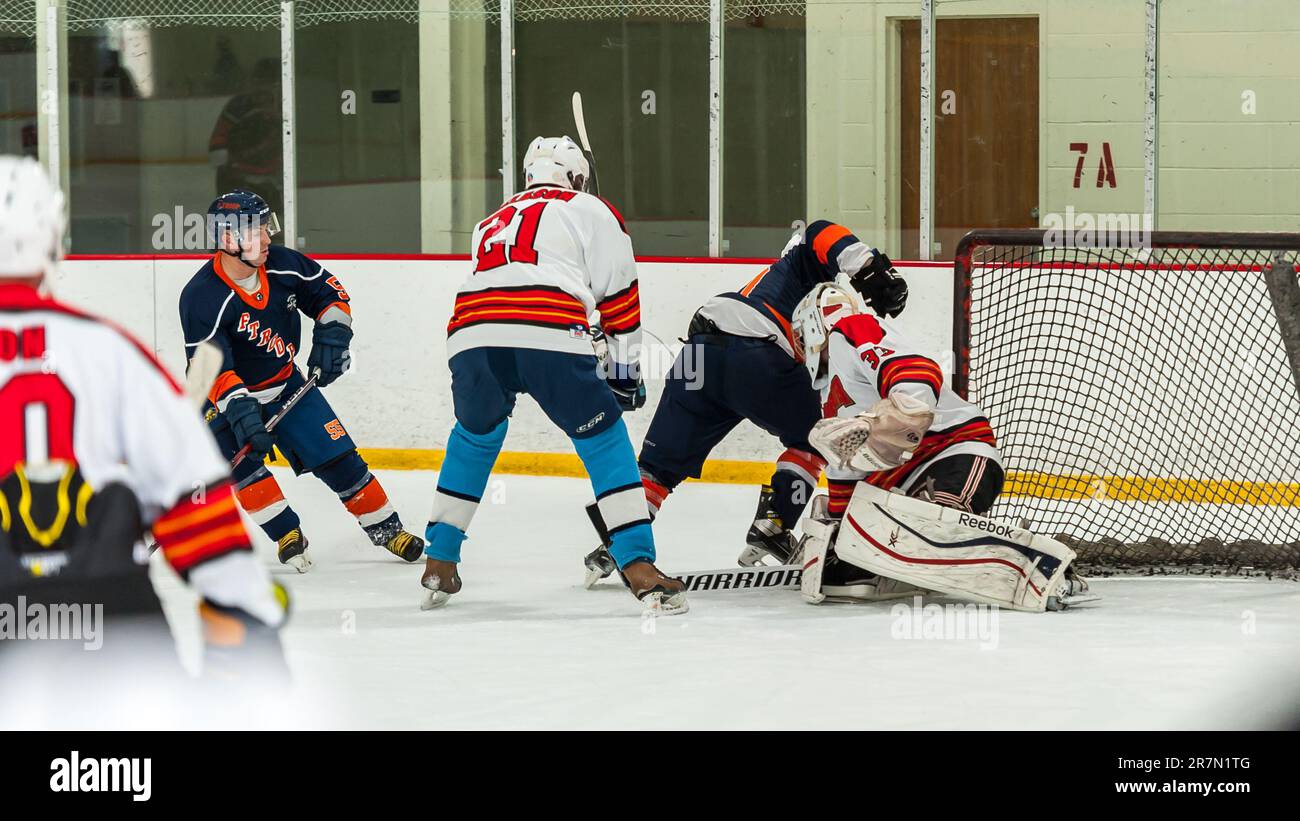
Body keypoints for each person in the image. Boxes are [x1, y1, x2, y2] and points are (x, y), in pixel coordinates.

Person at [0, 156, 286, 688]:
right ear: (51, 235)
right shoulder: (109, 349)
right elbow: (192, 496)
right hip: (114, 624)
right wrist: (246, 623)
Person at [421, 135, 686, 614]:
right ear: (577, 177)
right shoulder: (592, 208)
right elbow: (619, 299)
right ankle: (638, 566)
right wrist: (624, 375)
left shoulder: (490, 220)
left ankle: (439, 558)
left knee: (474, 437)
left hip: (470, 338)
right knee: (604, 440)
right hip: (547, 334)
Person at [583, 221, 909, 586]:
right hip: (756, 356)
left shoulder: (769, 283)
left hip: (697, 358)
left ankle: (619, 541)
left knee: (658, 468)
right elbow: (822, 229)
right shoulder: (806, 266)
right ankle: (774, 525)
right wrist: (869, 267)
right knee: (816, 440)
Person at [179, 189, 424, 572]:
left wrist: (333, 336)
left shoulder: (283, 265)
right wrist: (243, 414)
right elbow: (208, 367)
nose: (265, 238)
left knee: (341, 459)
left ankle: (387, 529)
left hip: (287, 384)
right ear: (227, 239)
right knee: (244, 468)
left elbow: (331, 294)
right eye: (254, 230)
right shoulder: (201, 296)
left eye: (265, 227)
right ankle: (286, 534)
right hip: (225, 399)